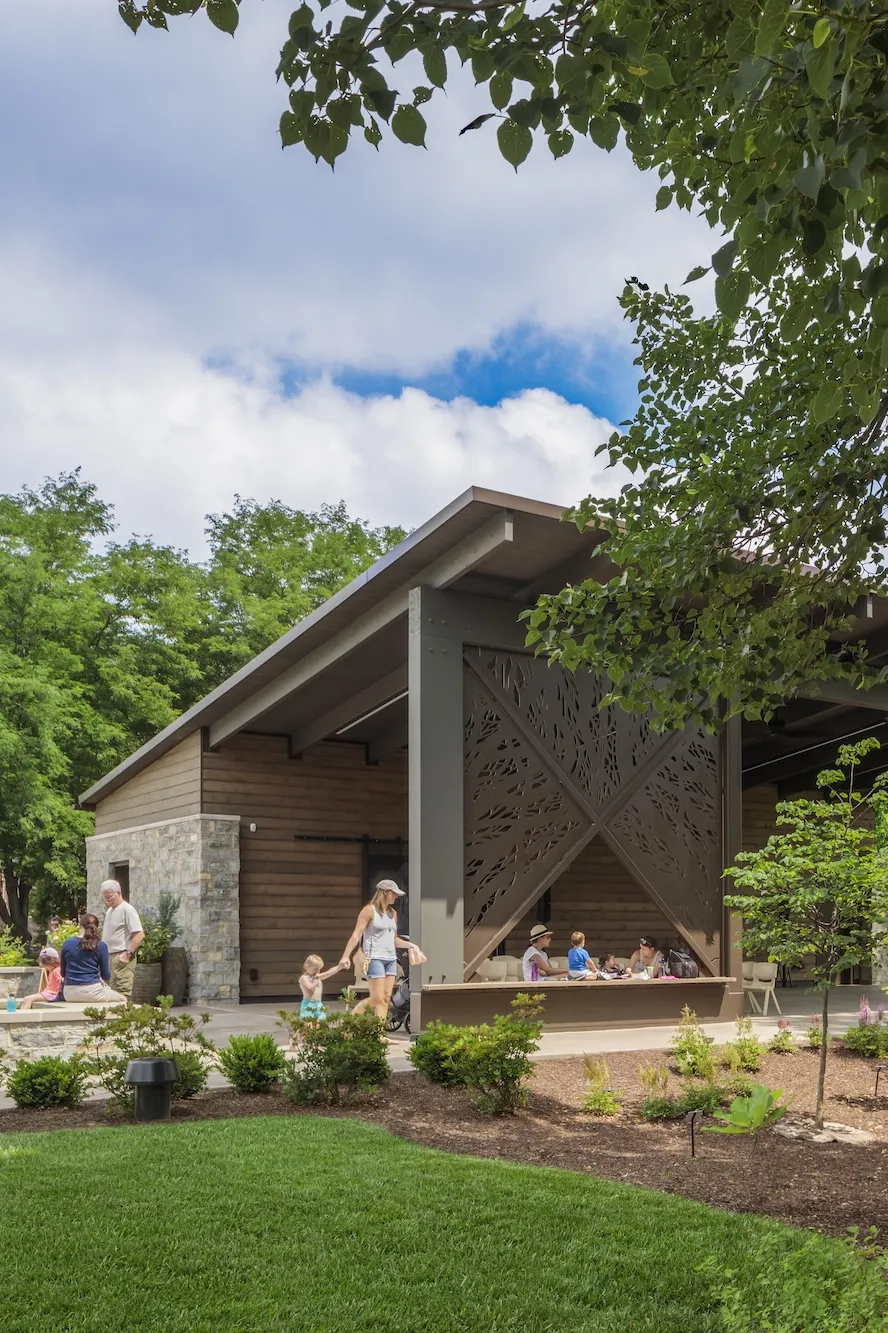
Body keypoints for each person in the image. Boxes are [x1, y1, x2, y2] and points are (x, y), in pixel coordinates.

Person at [338, 881, 426, 1021]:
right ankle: (349, 1021)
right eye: (394, 893)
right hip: (374, 958)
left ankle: (379, 1034)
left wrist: (411, 945)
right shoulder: (369, 910)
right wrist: (345, 956)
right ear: (384, 892)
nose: (396, 896)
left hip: (390, 959)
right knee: (376, 998)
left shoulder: (393, 914)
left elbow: (394, 939)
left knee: (385, 998)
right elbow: (357, 934)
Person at [60, 914, 126, 1004]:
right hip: (91, 991)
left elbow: (62, 973)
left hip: (69, 993)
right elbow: (106, 975)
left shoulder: (67, 943)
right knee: (122, 999)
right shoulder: (101, 945)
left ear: (80, 926)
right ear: (96, 928)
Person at [100, 880, 144, 1001]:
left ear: (118, 893)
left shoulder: (127, 909)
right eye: (105, 897)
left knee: (122, 991)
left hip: (121, 956)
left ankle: (124, 1017)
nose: (107, 900)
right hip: (109, 956)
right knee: (110, 991)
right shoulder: (110, 910)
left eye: (109, 896)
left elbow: (139, 934)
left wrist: (127, 954)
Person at [298, 954, 343, 1022]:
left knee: (321, 1021)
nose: (318, 972)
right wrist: (316, 980)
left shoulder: (317, 976)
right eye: (315, 969)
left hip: (318, 1004)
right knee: (309, 1023)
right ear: (307, 966)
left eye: (319, 969)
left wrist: (339, 967)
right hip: (308, 1004)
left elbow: (329, 973)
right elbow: (310, 988)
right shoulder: (303, 978)